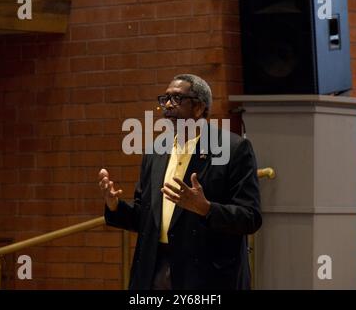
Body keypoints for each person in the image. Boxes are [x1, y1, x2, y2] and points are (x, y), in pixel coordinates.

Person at [98, 74, 262, 290]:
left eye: (177, 99)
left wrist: (206, 209)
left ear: (199, 108)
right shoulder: (156, 150)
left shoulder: (233, 149)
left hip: (208, 275)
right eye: (165, 99)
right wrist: (115, 206)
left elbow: (250, 218)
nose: (167, 105)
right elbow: (145, 218)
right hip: (155, 269)